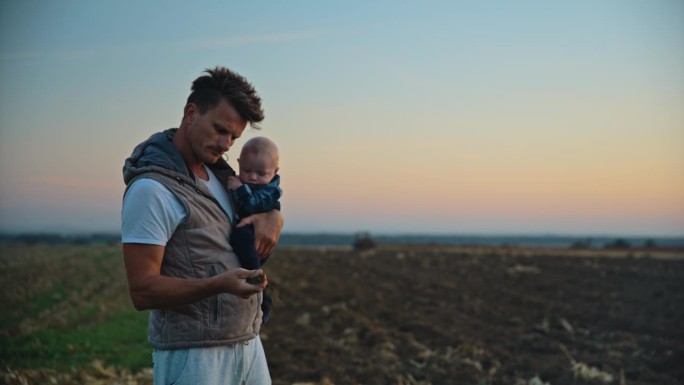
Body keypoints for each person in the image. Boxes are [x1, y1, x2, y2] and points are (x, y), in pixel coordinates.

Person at [121, 66, 283, 385]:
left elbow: (263, 198)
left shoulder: (223, 177)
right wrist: (219, 284)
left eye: (234, 137)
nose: (226, 144)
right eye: (220, 130)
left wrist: (274, 215)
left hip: (248, 342)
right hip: (194, 356)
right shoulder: (152, 190)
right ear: (191, 112)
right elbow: (142, 291)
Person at [228, 137, 282, 322]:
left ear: (274, 172)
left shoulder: (271, 190)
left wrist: (239, 189)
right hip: (249, 238)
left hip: (256, 240)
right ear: (239, 164)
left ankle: (262, 290)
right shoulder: (247, 182)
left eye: (261, 173)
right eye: (247, 170)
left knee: (240, 236)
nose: (253, 177)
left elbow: (252, 206)